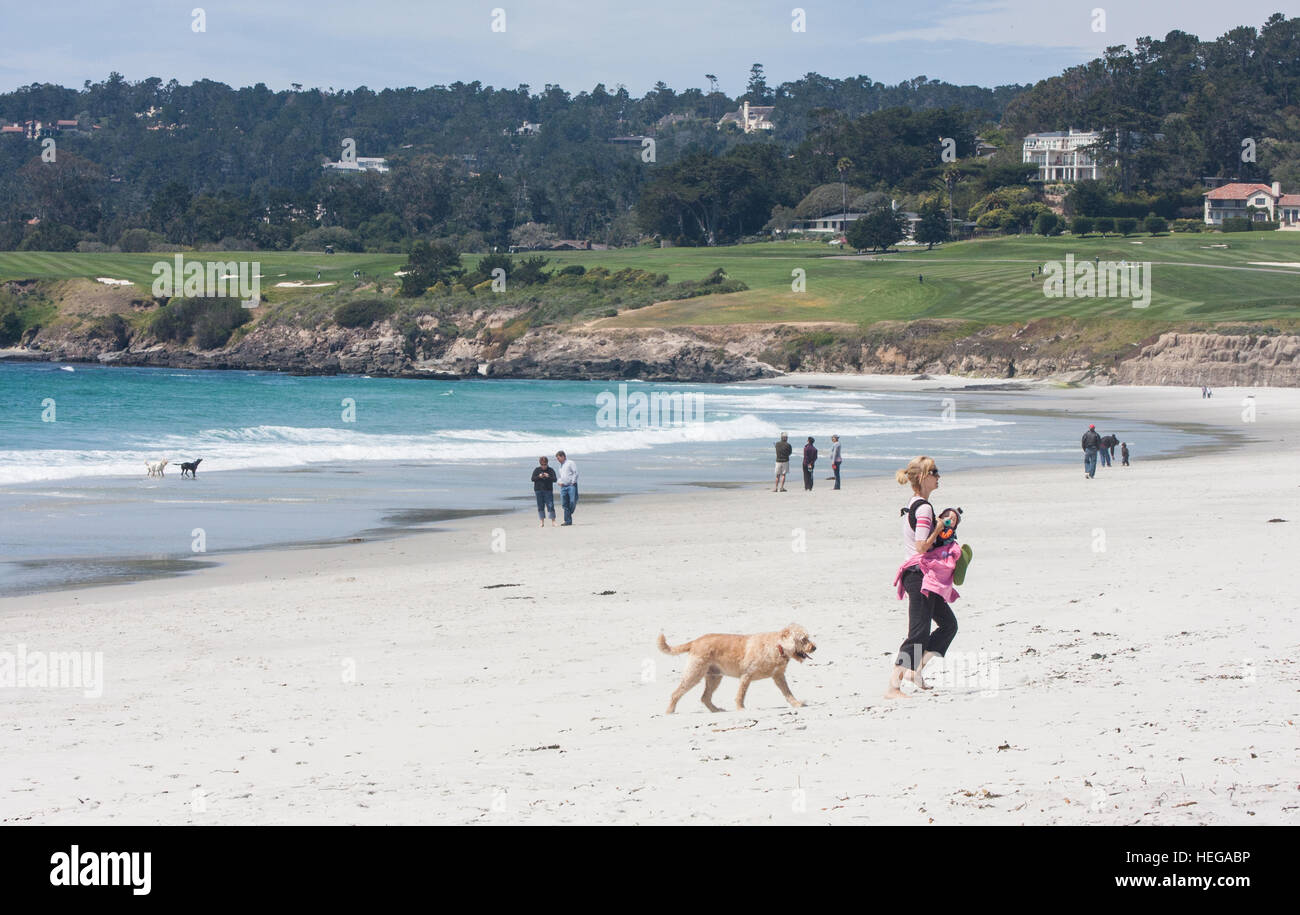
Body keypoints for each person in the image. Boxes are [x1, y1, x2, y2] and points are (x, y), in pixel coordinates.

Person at [886, 456, 959, 699]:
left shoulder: (915, 503)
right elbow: (920, 547)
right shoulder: (925, 508)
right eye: (935, 472)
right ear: (924, 477)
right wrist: (938, 530)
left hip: (922, 575)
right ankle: (893, 687)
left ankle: (915, 670)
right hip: (919, 575)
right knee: (918, 632)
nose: (939, 476)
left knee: (948, 625)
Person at [531, 456, 557, 527]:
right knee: (540, 506)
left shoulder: (550, 470)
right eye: (542, 464)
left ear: (547, 463)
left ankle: (553, 522)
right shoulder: (537, 470)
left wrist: (548, 476)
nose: (543, 466)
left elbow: (555, 479)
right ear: (540, 464)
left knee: (550, 505)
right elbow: (532, 479)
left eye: (545, 464)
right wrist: (539, 476)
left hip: (548, 490)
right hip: (538, 490)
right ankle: (542, 522)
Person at [555, 450, 578, 525]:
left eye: (558, 458)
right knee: (564, 504)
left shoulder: (570, 463)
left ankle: (568, 514)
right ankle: (567, 521)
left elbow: (575, 472)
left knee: (572, 501)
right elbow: (561, 477)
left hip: (571, 485)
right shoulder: (560, 466)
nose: (557, 460)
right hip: (563, 487)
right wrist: (559, 482)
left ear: (563, 456)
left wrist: (573, 482)